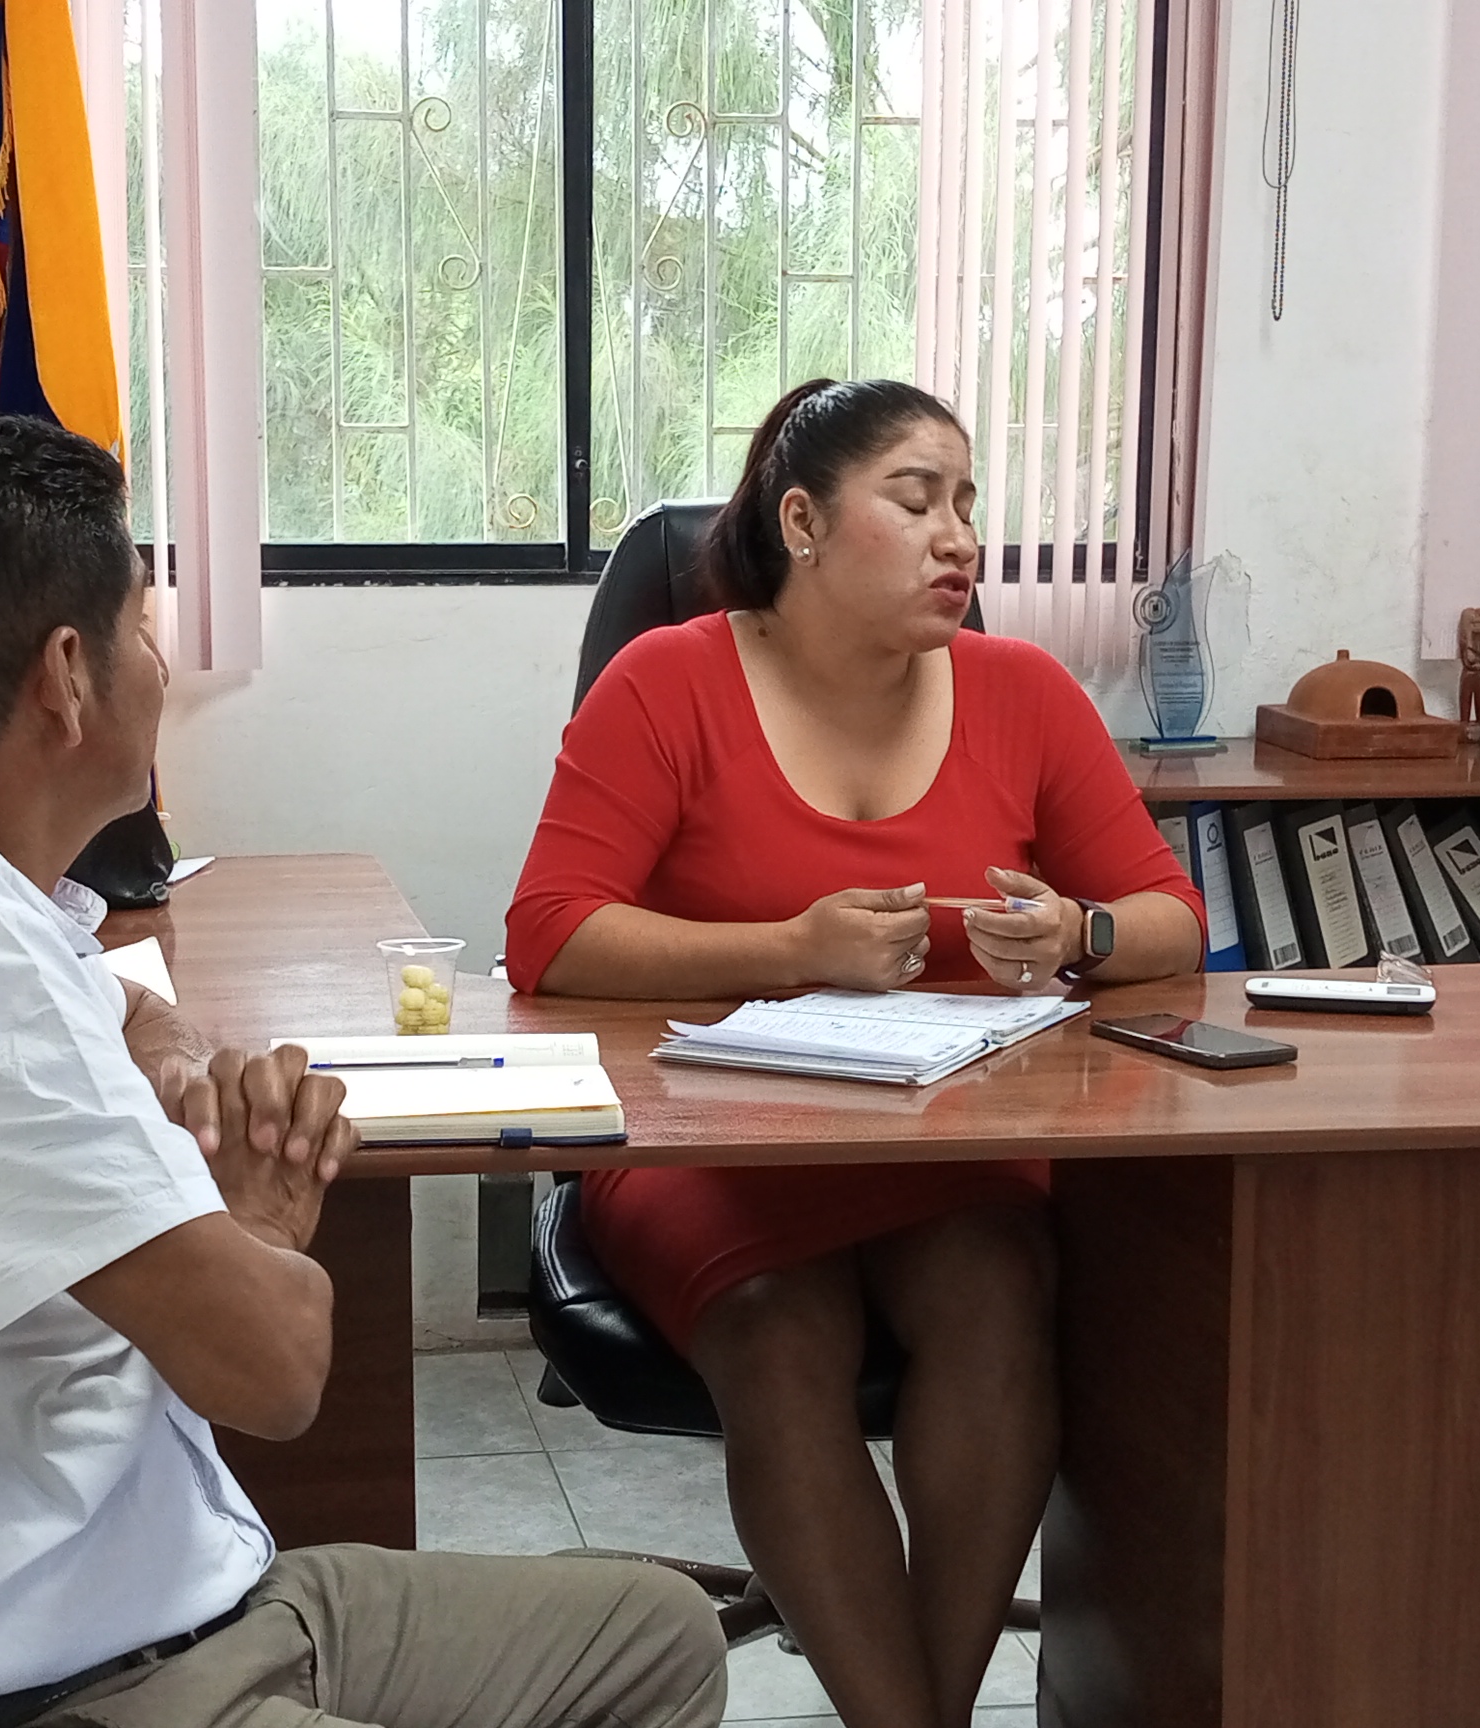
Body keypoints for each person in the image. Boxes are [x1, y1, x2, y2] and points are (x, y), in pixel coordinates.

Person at [0, 415, 724, 1728]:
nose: (158, 667)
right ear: (65, 677)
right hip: (57, 1687)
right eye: (143, 631)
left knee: (660, 1636)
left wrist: (158, 1050)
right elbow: (275, 1370)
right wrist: (254, 1217)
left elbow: (95, 984)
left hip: (169, 1600)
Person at [503, 378, 1204, 1728]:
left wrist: (1081, 928)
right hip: (711, 1138)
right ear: (805, 523)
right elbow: (550, 932)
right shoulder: (671, 682)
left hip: (949, 1138)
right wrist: (790, 947)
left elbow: (1173, 917)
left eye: (969, 505)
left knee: (1001, 1292)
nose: (961, 539)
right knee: (779, 1329)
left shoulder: (1024, 692)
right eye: (917, 499)